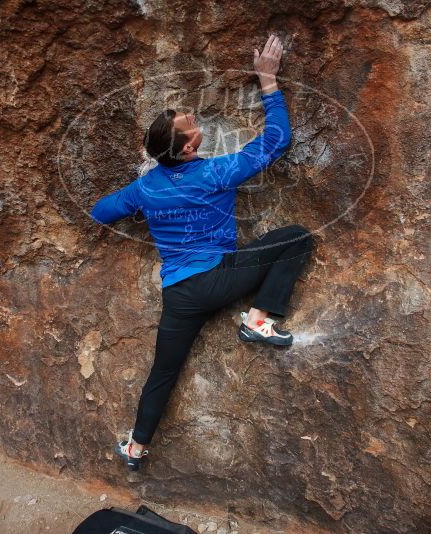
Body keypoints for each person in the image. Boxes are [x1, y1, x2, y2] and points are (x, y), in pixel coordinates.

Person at [90, 34, 313, 471]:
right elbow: (276, 141)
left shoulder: (145, 188)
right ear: (189, 148)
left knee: (163, 373)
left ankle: (136, 448)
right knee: (297, 237)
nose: (195, 119)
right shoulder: (216, 172)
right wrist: (268, 81)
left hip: (179, 294)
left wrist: (146, 195)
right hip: (217, 278)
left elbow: (100, 212)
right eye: (190, 124)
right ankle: (259, 319)